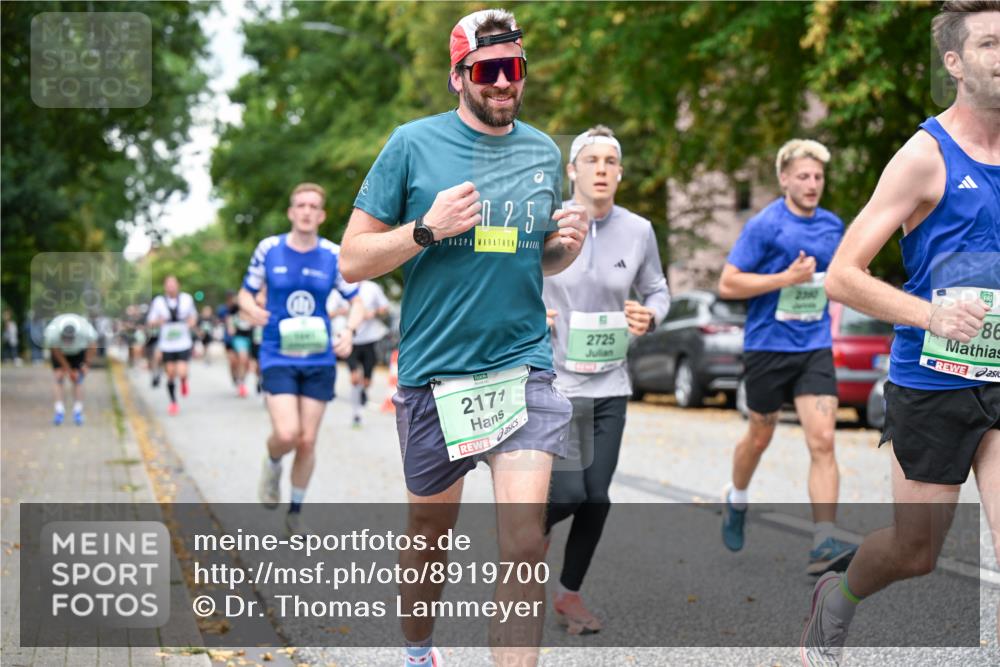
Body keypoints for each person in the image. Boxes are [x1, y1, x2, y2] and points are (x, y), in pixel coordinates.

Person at [340, 9, 589, 667]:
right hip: (435, 373)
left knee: (524, 541)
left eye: (517, 69)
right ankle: (418, 649)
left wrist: (562, 247)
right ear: (460, 76)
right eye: (491, 71)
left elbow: (536, 259)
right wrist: (426, 227)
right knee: (430, 532)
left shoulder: (542, 150)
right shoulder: (411, 145)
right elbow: (352, 259)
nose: (507, 83)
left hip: (521, 365)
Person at [801, 3, 999, 664]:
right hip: (932, 379)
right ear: (955, 63)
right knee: (915, 550)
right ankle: (839, 594)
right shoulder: (924, 156)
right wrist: (931, 314)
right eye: (990, 43)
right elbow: (843, 276)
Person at [541, 125, 670, 635]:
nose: (600, 169)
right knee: (569, 493)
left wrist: (650, 316)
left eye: (609, 161)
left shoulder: (637, 230)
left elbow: (658, 289)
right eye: (590, 160)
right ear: (572, 171)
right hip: (554, 384)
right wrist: (533, 312)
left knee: (598, 496)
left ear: (619, 173)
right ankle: (525, 536)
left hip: (610, 384)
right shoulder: (548, 223)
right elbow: (514, 279)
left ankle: (568, 595)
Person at [717, 139, 855, 575]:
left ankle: (823, 540)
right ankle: (736, 497)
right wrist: (785, 278)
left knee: (823, 440)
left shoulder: (833, 226)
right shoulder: (764, 225)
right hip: (767, 347)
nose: (812, 184)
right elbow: (728, 284)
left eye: (818, 176)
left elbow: (845, 276)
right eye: (803, 176)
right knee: (760, 436)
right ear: (784, 180)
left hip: (813, 347)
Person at [238, 182, 363, 536]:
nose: (307, 211)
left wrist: (348, 331)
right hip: (277, 353)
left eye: (313, 206)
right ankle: (274, 459)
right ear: (292, 212)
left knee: (307, 440)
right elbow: (245, 294)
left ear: (321, 215)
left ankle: (295, 510)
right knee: (287, 433)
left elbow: (357, 301)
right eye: (300, 205)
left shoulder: (332, 254)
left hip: (319, 359)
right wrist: (251, 311)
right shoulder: (269, 249)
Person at [147, 276, 197, 416]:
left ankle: (183, 380)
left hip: (183, 342)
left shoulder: (187, 299)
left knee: (181, 371)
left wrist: (191, 323)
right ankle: (173, 402)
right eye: (168, 285)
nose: (171, 287)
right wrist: (158, 321)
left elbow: (193, 316)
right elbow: (150, 321)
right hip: (167, 344)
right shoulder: (159, 302)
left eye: (173, 284)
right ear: (164, 287)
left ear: (178, 285)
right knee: (170, 373)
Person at [346, 280, 391, 428]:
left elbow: (385, 308)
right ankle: (356, 414)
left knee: (366, 381)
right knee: (354, 378)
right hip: (351, 339)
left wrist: (374, 313)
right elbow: (332, 310)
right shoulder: (343, 286)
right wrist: (352, 312)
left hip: (370, 339)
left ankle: (363, 392)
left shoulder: (372, 287)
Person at [43, 313, 98, 425]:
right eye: (65, 338)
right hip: (60, 353)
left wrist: (86, 364)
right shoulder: (52, 333)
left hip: (78, 353)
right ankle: (59, 410)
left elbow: (93, 346)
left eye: (70, 339)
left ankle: (78, 410)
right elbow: (55, 351)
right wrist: (67, 369)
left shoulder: (85, 330)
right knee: (58, 377)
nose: (68, 341)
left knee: (78, 379)